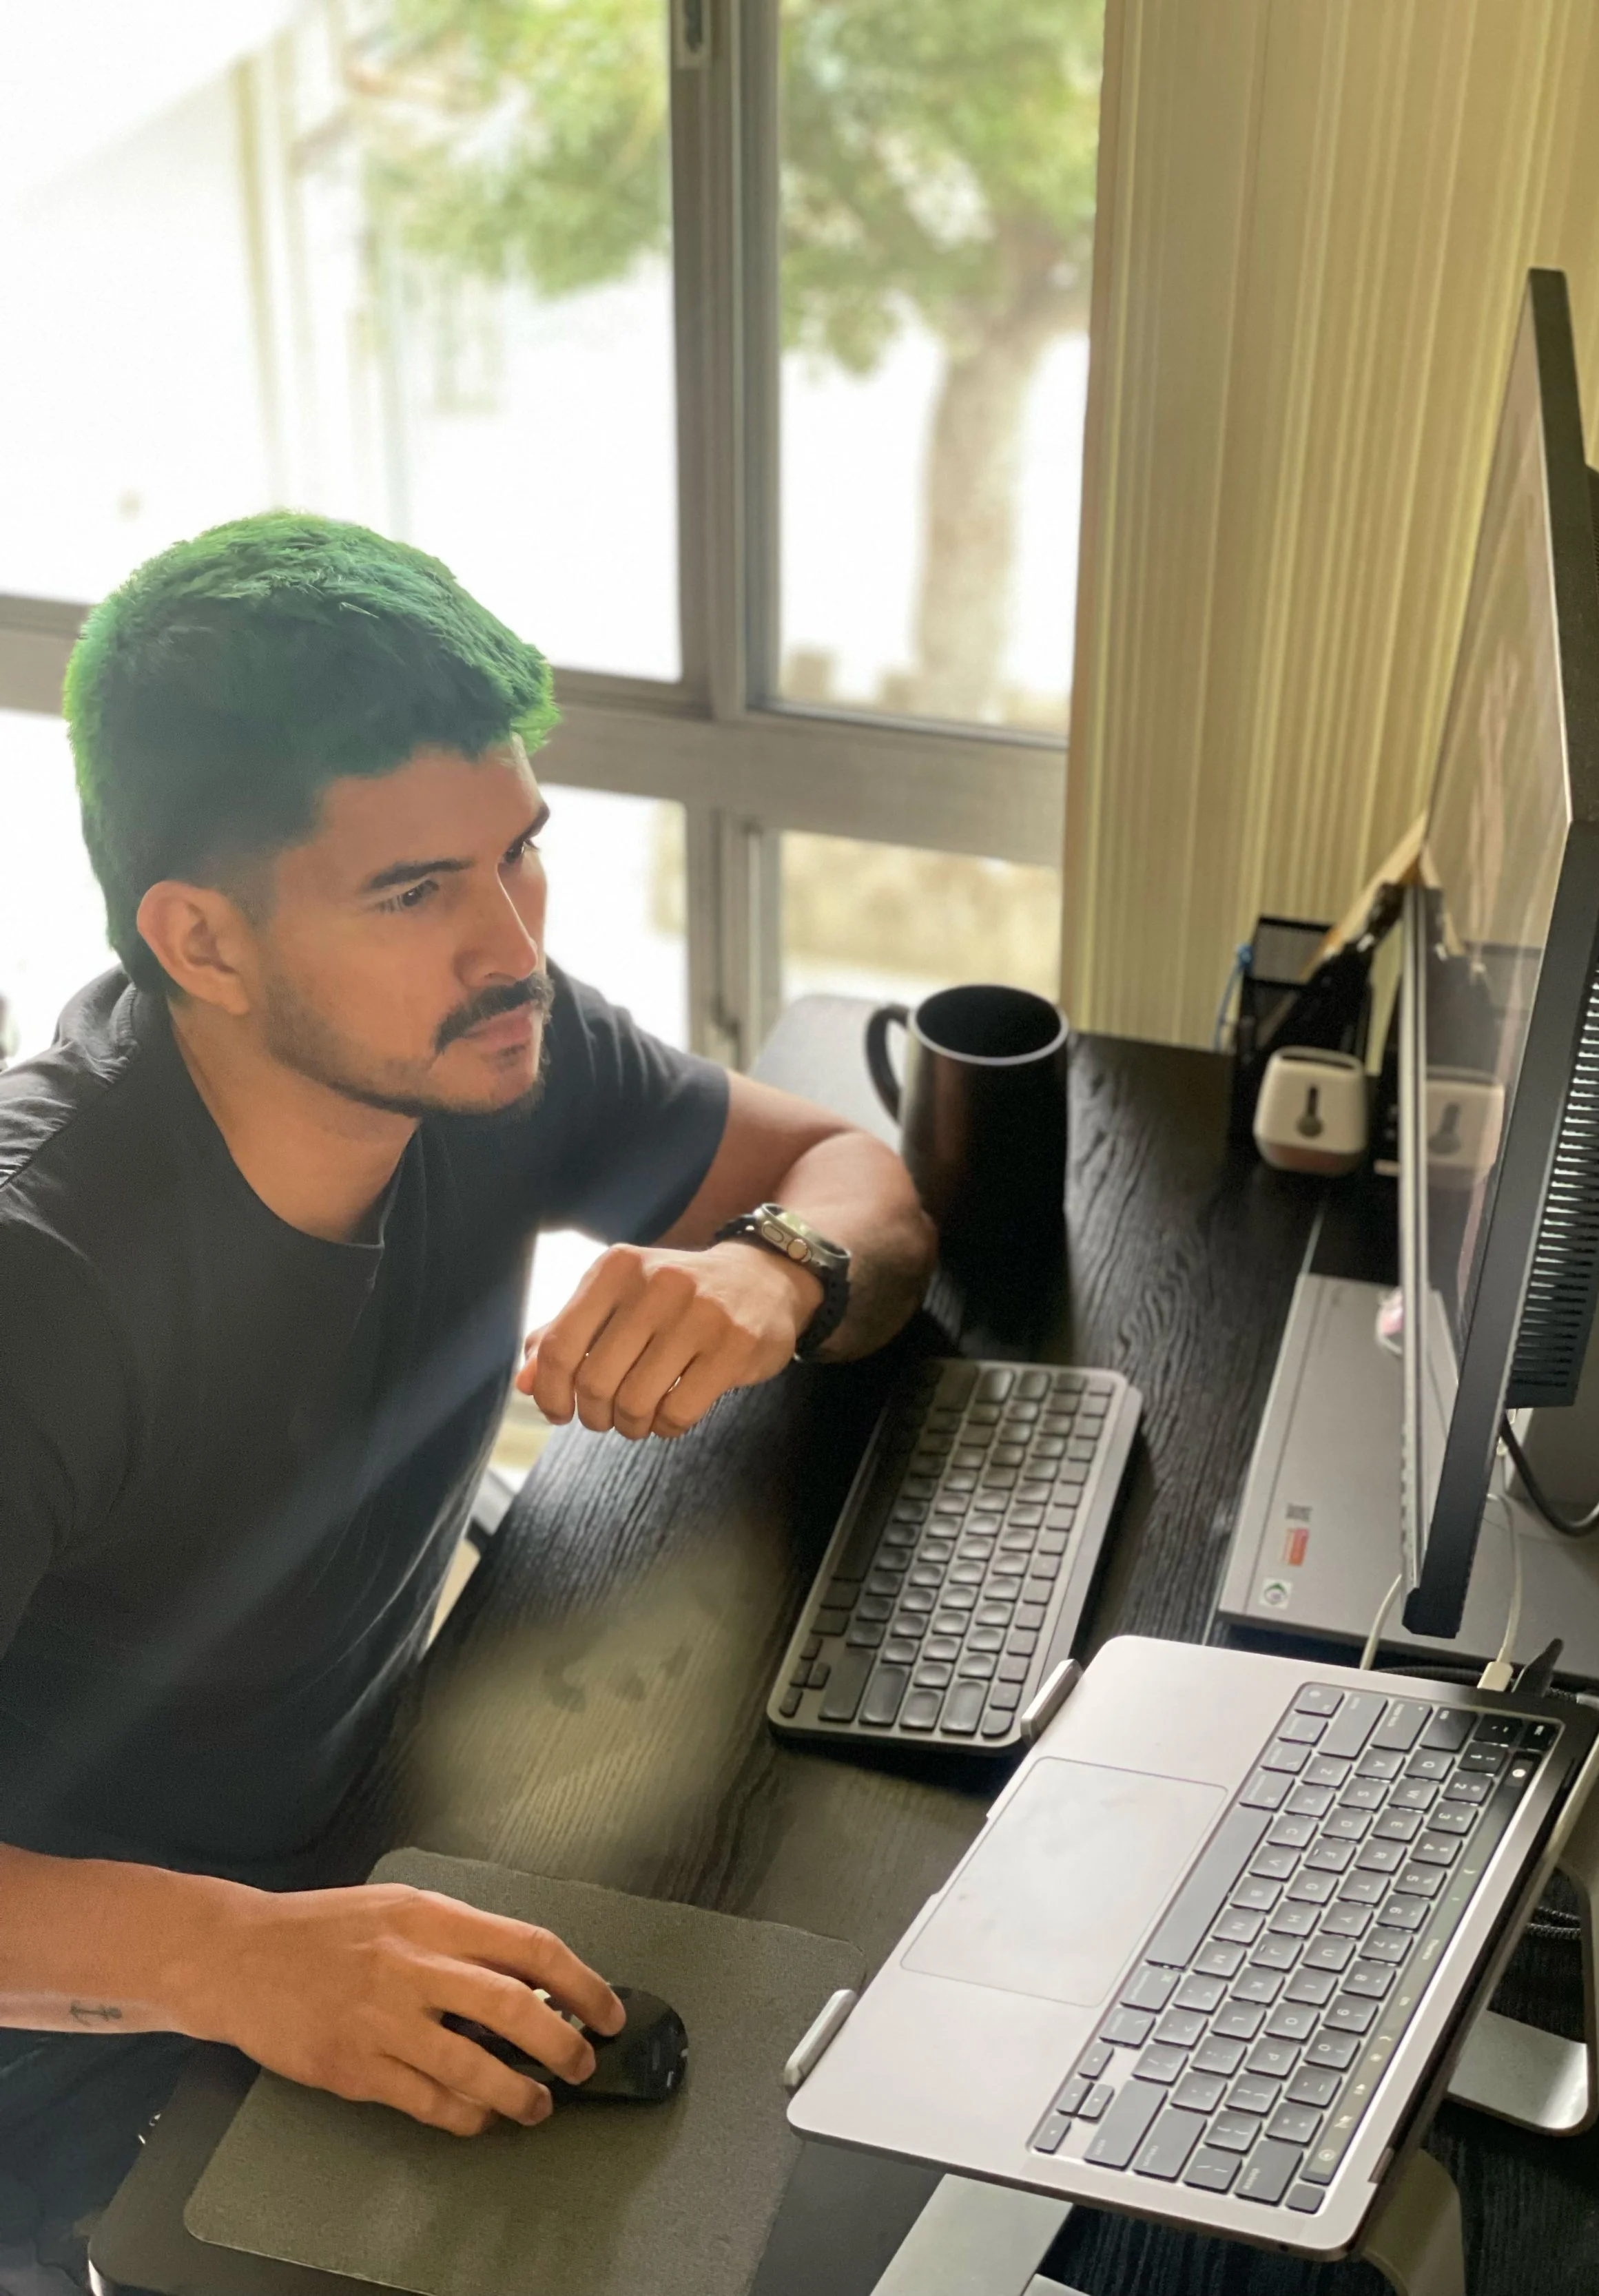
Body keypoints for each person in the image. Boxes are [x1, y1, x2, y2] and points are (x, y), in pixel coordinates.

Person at [0, 514, 936, 2252]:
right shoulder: (36, 1291)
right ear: (202, 943)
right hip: (76, 2085)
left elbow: (849, 1175)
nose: (509, 944)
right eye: (414, 890)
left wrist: (770, 1272)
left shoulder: (486, 1044)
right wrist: (230, 1957)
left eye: (522, 854)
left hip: (372, 1838)